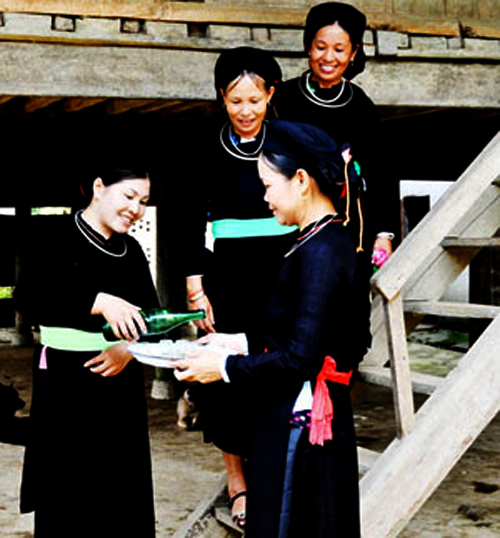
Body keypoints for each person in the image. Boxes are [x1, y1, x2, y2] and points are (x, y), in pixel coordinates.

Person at [176, 119, 370, 537]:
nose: (264, 197)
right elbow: (304, 334)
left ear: (300, 180)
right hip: (298, 411)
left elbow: (301, 358)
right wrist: (237, 342)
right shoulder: (316, 240)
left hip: (303, 420)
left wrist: (223, 368)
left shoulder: (320, 250)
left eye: (268, 185)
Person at [183, 47, 298, 527]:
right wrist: (196, 289)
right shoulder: (204, 148)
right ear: (221, 98)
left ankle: (276, 468)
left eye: (255, 100)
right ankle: (238, 481)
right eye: (235, 101)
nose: (245, 111)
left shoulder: (291, 142)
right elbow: (190, 222)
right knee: (224, 375)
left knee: (277, 368)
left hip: (284, 272)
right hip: (227, 279)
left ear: (271, 95)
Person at [14, 168, 157, 537]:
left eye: (143, 201)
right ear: (98, 188)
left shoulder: (131, 250)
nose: (136, 209)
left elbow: (151, 316)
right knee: (66, 492)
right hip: (64, 379)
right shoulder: (54, 235)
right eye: (128, 196)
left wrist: (128, 348)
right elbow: (27, 296)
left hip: (120, 382)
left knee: (122, 493)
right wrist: (99, 301)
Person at [274, 1, 399, 261]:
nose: (329, 58)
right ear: (307, 46)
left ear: (353, 53)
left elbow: (380, 172)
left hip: (347, 230)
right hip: (286, 230)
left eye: (339, 49)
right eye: (321, 47)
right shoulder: (282, 99)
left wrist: (384, 235)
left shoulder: (360, 106)